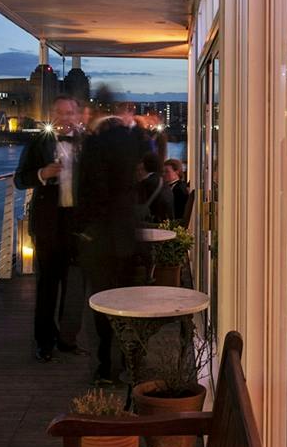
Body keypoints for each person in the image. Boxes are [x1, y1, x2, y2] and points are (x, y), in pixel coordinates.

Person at [76, 98, 146, 385]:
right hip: (126, 234)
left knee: (102, 304)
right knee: (128, 302)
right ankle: (130, 363)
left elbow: (87, 194)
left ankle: (106, 367)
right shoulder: (130, 142)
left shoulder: (92, 146)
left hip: (101, 239)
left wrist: (84, 231)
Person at [13, 95, 84, 362]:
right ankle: (43, 342)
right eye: (60, 113)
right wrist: (43, 174)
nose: (65, 118)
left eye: (70, 113)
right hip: (47, 223)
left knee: (74, 286)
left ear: (76, 116)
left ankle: (67, 339)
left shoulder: (87, 145)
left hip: (77, 224)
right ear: (52, 115)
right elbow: (19, 179)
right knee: (47, 286)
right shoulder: (38, 143)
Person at [138, 151, 173, 224]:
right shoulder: (164, 183)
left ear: (144, 165)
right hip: (166, 225)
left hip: (152, 225)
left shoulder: (145, 184)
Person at [163, 158, 190, 224]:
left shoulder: (180, 189)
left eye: (167, 171)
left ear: (177, 171)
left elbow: (179, 212)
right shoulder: (168, 187)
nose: (164, 174)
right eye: (163, 172)